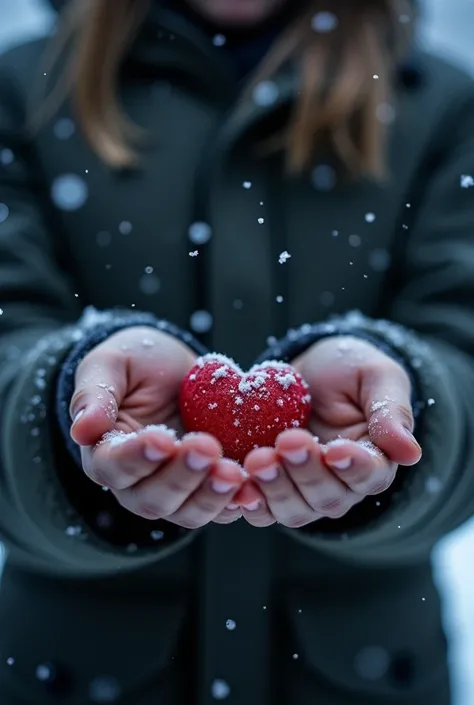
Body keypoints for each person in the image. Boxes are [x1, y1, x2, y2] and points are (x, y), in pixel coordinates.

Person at [0, 0, 473, 702]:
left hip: (360, 678)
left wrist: (403, 400)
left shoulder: (440, 103)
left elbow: (463, 347)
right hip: (79, 672)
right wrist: (65, 409)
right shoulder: (23, 89)